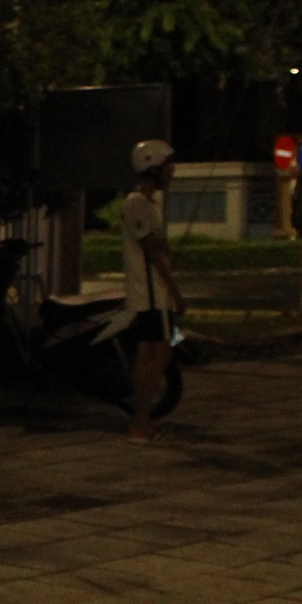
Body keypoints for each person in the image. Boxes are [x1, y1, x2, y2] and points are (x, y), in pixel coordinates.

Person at [120, 138, 184, 444]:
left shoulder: (146, 205)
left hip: (152, 297)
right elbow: (155, 253)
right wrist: (177, 294)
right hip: (151, 297)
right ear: (153, 169)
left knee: (150, 355)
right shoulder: (137, 205)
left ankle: (141, 420)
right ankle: (140, 422)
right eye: (167, 165)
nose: (172, 170)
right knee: (158, 355)